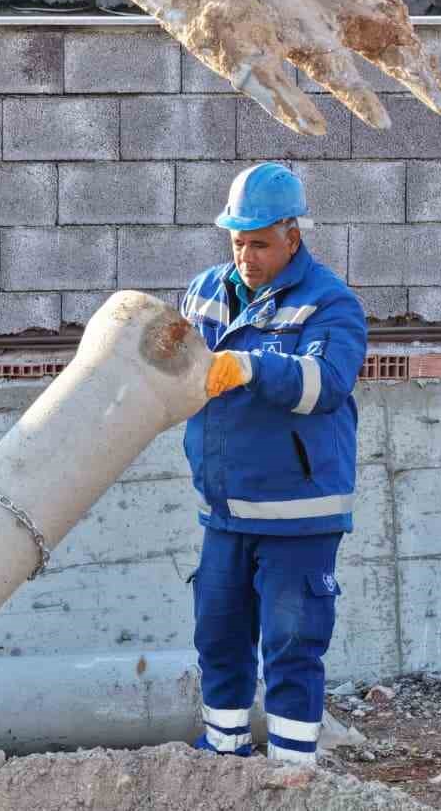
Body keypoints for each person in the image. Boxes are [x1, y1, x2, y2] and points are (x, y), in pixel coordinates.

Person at [178, 162, 368, 765]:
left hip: (298, 511)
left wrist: (255, 367)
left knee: (292, 644)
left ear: (293, 234)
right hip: (225, 509)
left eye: (260, 243)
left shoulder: (330, 304)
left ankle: (291, 775)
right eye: (238, 242)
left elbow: (327, 384)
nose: (247, 257)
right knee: (219, 638)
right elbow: (173, 367)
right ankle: (223, 759)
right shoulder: (207, 289)